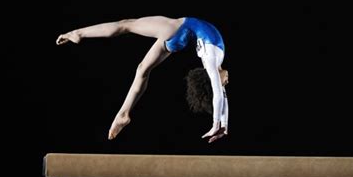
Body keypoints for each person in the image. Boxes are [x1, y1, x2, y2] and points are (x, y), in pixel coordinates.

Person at [56, 16, 229, 143]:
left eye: (221, 85)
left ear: (210, 79)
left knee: (127, 25)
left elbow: (218, 96)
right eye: (223, 85)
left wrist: (215, 125)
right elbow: (221, 97)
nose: (226, 83)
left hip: (177, 29)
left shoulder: (211, 61)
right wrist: (224, 125)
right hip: (181, 38)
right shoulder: (215, 64)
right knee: (142, 70)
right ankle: (123, 113)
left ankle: (78, 33)